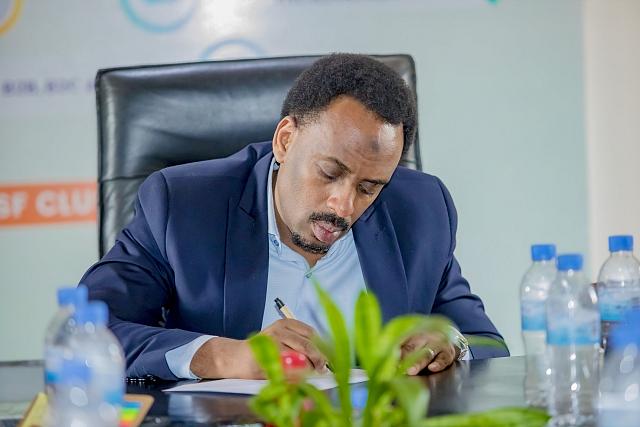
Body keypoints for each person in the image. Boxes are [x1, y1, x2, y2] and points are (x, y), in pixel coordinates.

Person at [81, 53, 508, 381]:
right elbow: (87, 331)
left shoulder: (423, 209)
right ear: (285, 140)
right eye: (329, 173)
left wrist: (452, 342)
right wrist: (226, 356)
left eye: (368, 188)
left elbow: (487, 342)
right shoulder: (182, 204)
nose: (343, 207)